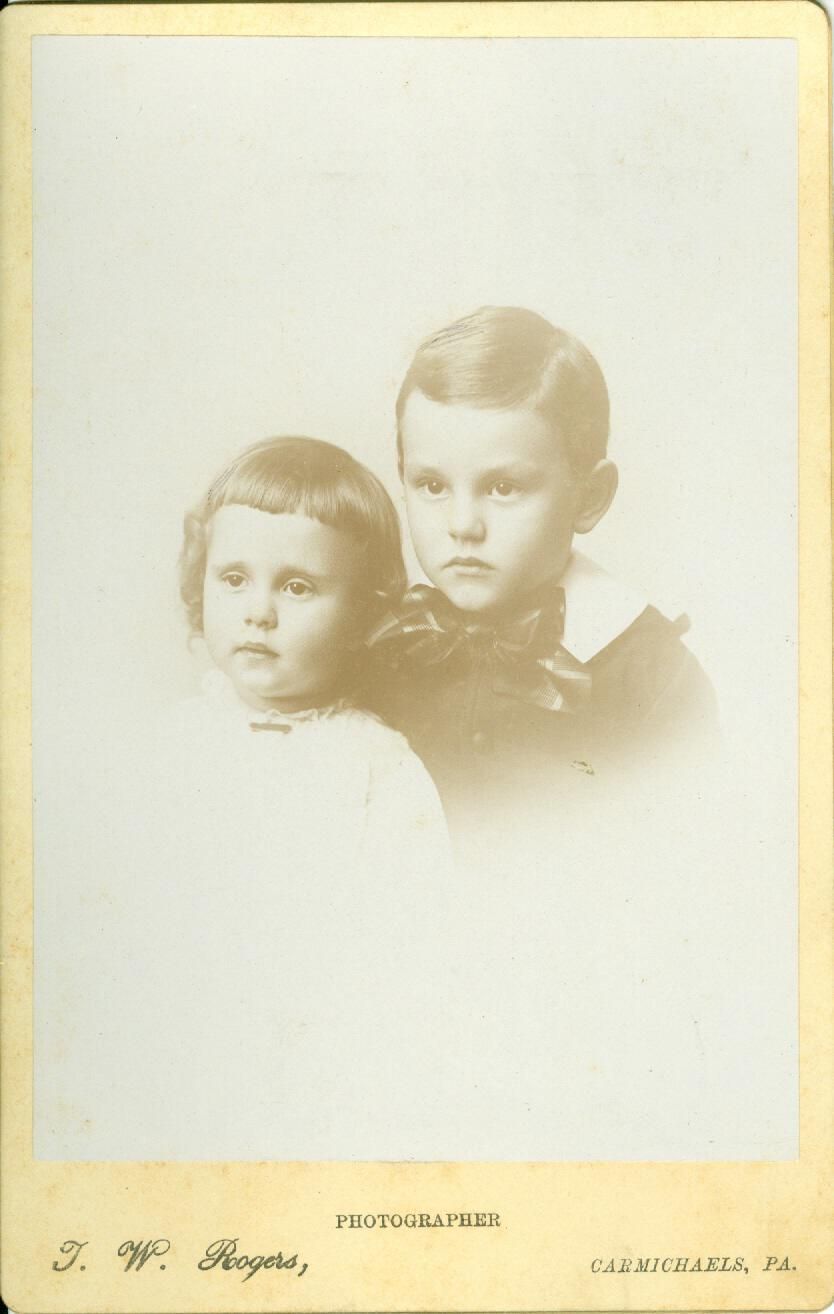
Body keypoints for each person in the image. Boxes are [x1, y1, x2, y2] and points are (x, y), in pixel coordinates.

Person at [53, 436, 459, 1162]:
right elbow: (105, 916)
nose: (259, 612)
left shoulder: (379, 768)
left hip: (315, 1073)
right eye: (234, 578)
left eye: (298, 587)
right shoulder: (163, 752)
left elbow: (410, 950)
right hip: (168, 1061)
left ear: (365, 613)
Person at [364, 306, 719, 842]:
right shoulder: (386, 644)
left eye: (503, 488)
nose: (462, 526)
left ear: (590, 497)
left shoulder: (652, 675)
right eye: (432, 486)